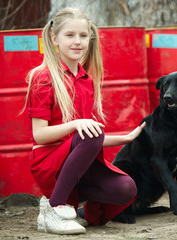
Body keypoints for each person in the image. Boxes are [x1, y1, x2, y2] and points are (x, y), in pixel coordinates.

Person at [23, 8, 145, 234]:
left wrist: (126, 138)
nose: (77, 42)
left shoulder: (86, 80)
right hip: (50, 161)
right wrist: (75, 125)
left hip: (76, 162)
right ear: (54, 38)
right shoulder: (43, 77)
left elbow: (86, 139)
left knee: (126, 188)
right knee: (91, 131)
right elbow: (39, 135)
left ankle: (70, 201)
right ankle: (55, 207)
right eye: (69, 35)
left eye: (83, 35)